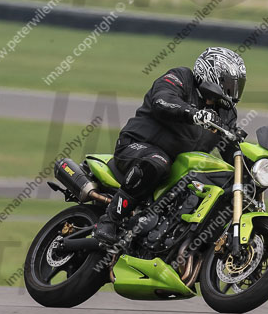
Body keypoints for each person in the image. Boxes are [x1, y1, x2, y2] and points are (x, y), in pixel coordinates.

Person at [94, 46, 247, 245]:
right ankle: (109, 220)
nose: (233, 90)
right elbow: (162, 100)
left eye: (236, 85)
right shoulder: (181, 77)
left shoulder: (225, 114)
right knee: (158, 162)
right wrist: (193, 113)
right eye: (229, 83)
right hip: (136, 146)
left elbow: (231, 149)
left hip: (177, 171)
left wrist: (259, 168)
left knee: (220, 181)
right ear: (210, 74)